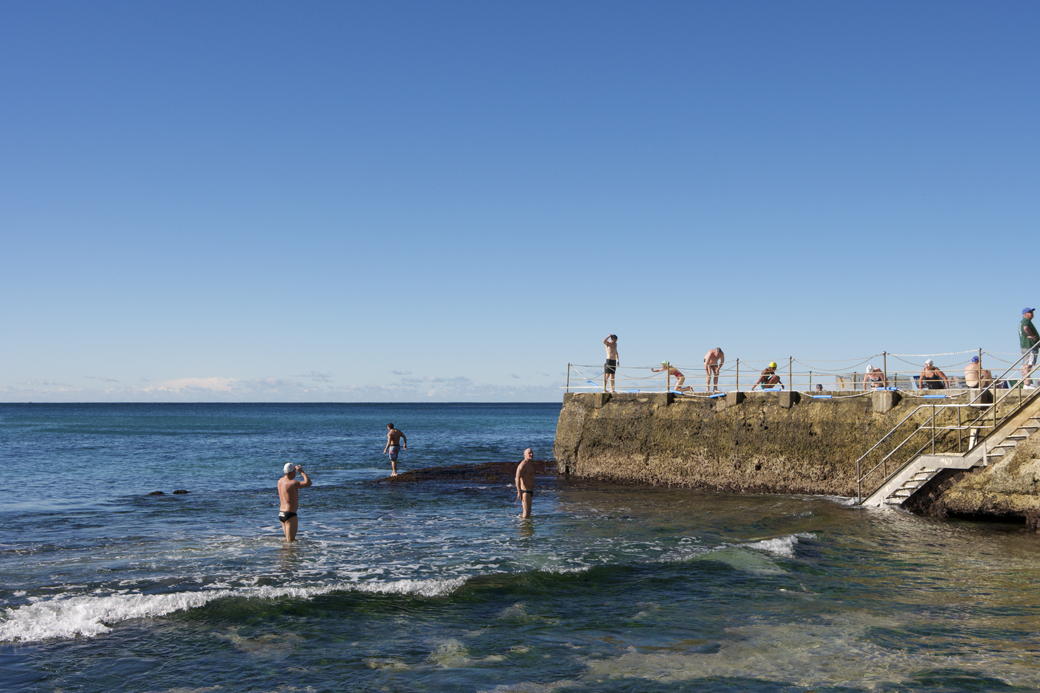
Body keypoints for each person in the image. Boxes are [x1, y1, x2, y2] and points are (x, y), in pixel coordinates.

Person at [277, 463, 312, 542]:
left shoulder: (280, 481)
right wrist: (302, 472)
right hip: (290, 514)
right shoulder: (293, 483)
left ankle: (284, 551)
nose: (296, 473)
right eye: (295, 472)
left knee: (287, 541)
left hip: (281, 513)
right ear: (292, 472)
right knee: (290, 542)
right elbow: (308, 483)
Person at [515, 448, 535, 519]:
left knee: (528, 512)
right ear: (524, 455)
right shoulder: (522, 465)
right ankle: (522, 525)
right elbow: (517, 478)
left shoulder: (530, 464)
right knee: (526, 514)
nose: (531, 454)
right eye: (529, 453)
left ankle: (525, 525)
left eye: (532, 453)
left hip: (530, 491)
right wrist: (519, 492)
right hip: (525, 491)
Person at [1021, 308, 1039, 388]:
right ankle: (1027, 384)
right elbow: (1026, 328)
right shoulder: (1026, 321)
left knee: (1025, 364)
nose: (1032, 313)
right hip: (1030, 346)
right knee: (1029, 364)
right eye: (1030, 312)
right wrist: (1032, 336)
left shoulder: (1023, 321)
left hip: (1025, 346)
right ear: (1025, 314)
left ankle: (1026, 383)